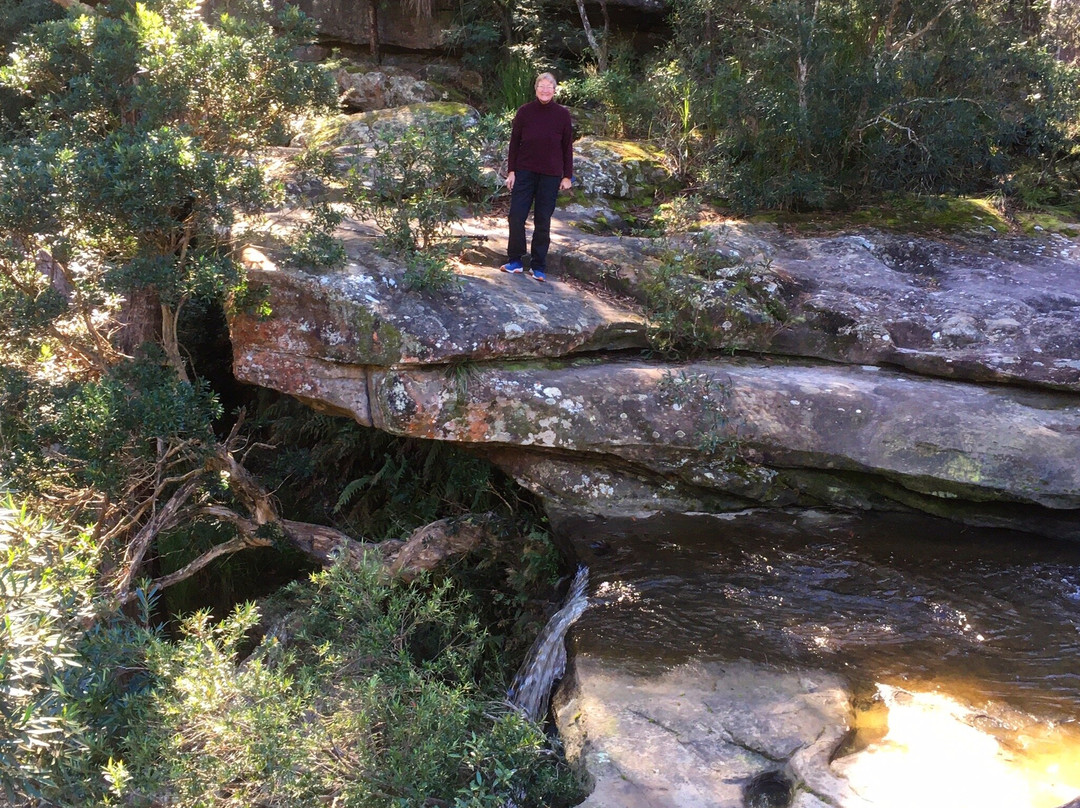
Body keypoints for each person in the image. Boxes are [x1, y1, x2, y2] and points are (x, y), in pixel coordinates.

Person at [500, 72, 574, 283]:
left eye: (549, 87)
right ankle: (515, 260)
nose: (545, 90)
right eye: (541, 86)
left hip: (550, 175)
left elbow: (567, 146)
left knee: (543, 220)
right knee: (516, 215)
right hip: (524, 171)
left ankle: (538, 266)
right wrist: (511, 171)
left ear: (555, 90)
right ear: (536, 89)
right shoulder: (525, 112)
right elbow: (514, 144)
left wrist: (567, 175)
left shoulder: (562, 114)